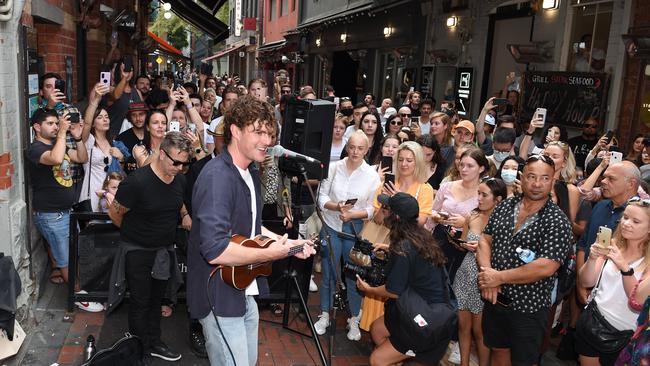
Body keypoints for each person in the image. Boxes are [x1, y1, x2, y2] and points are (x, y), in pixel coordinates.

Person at [186, 95, 315, 366]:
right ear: (235, 130)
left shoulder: (250, 172)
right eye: (258, 132)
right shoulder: (218, 177)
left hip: (244, 289)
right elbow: (216, 249)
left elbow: (253, 230)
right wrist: (273, 254)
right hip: (219, 295)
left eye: (270, 133)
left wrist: (292, 245)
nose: (267, 141)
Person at [477, 154, 573, 366]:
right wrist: (487, 274)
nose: (537, 184)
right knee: (498, 351)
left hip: (528, 308)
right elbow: (485, 240)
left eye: (544, 178)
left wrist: (498, 277)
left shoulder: (557, 221)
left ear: (552, 181)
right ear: (522, 177)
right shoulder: (505, 206)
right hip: (495, 299)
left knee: (524, 361)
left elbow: (545, 267)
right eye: (531, 176)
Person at [107, 132, 190, 361]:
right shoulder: (137, 182)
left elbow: (178, 199)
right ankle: (138, 349)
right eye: (176, 162)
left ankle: (154, 342)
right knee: (140, 301)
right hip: (137, 250)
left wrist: (184, 215)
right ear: (162, 154)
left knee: (156, 300)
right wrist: (135, 234)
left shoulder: (180, 179)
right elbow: (115, 213)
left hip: (163, 250)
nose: (180, 167)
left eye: (184, 163)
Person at [356, 192, 449, 365]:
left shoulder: (403, 247)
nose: (383, 211)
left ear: (396, 216)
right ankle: (402, 356)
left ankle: (409, 352)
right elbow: (414, 259)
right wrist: (389, 249)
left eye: (386, 209)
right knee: (377, 330)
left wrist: (368, 289)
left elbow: (393, 291)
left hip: (425, 319)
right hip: (418, 305)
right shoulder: (420, 234)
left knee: (377, 360)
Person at [314, 130, 381, 340]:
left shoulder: (371, 175)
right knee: (328, 274)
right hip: (332, 226)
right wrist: (336, 206)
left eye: (360, 148)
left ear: (366, 150)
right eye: (352, 147)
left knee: (354, 277)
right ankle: (324, 314)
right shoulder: (334, 168)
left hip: (354, 230)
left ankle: (354, 319)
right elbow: (321, 197)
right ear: (346, 147)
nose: (355, 152)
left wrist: (353, 214)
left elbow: (372, 209)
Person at [577, 196, 650, 365]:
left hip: (625, 336)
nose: (626, 223)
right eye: (625, 217)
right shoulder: (612, 244)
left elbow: (637, 300)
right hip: (592, 323)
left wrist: (625, 268)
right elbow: (586, 282)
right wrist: (593, 259)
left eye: (636, 221)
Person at [28, 108, 88, 286]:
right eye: (50, 123)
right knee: (65, 259)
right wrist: (62, 131)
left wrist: (77, 138)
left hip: (66, 211)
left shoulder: (59, 144)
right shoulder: (35, 149)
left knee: (74, 254)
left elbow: (82, 157)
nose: (55, 126)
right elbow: (55, 159)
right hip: (51, 215)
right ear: (37, 127)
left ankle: (78, 289)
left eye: (57, 123)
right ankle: (77, 294)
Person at [453, 177, 507, 366]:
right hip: (465, 275)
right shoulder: (472, 216)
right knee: (463, 326)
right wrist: (461, 244)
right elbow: (462, 242)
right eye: (478, 194)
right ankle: (464, 363)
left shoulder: (503, 222)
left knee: (480, 330)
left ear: (498, 199)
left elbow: (504, 255)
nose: (479, 198)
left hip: (485, 279)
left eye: (484, 195)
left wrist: (481, 249)